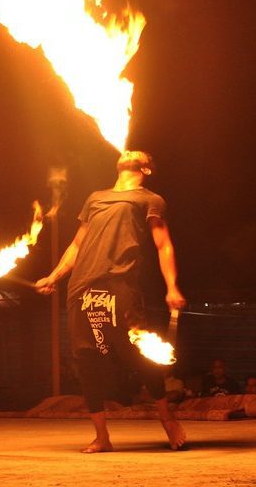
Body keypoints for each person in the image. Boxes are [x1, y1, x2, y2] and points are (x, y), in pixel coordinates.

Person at [36, 150, 187, 452]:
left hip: (120, 284)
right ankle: (101, 436)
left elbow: (163, 244)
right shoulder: (95, 198)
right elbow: (77, 245)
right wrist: (54, 276)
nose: (129, 150)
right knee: (86, 359)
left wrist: (172, 286)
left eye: (138, 153)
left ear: (145, 167)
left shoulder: (150, 199)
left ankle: (168, 419)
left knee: (137, 353)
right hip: (82, 288)